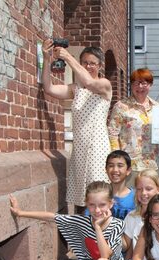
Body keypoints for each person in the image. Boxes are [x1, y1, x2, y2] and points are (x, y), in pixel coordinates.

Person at [41, 40, 111, 213]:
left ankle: (102, 233)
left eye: (92, 63)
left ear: (100, 66)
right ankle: (81, 234)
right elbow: (48, 88)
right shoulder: (75, 89)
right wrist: (45, 60)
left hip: (97, 147)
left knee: (98, 192)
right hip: (79, 148)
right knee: (81, 196)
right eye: (85, 62)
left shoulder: (104, 84)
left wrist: (67, 57)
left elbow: (89, 83)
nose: (88, 66)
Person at [108, 68, 159, 183]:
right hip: (130, 165)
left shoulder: (158, 108)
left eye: (144, 83)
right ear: (131, 85)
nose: (140, 87)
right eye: (136, 83)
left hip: (153, 164)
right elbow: (112, 134)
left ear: (150, 85)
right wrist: (118, 161)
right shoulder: (121, 106)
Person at [123, 169, 159, 260]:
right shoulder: (131, 217)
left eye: (148, 189)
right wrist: (108, 228)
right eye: (139, 189)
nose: (143, 193)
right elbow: (126, 246)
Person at [104, 150, 135, 220]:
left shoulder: (136, 198)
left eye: (120, 166)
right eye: (111, 166)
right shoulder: (99, 194)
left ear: (128, 170)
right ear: (106, 169)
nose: (115, 170)